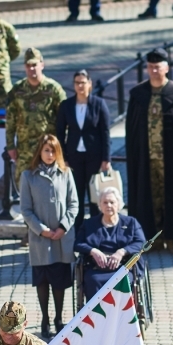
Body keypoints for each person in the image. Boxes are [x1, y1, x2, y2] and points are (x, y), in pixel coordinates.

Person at [125, 47, 173, 254]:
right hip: (146, 157)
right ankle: (153, 239)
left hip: (171, 159)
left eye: (158, 67)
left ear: (166, 67)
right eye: (150, 67)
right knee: (149, 197)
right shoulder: (139, 95)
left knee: (171, 197)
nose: (154, 71)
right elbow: (132, 128)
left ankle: (172, 238)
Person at [20, 134, 79, 338]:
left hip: (61, 238)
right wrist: (42, 229)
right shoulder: (28, 176)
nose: (50, 154)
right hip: (41, 239)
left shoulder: (66, 173)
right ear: (40, 151)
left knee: (60, 280)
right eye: (46, 150)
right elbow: (26, 209)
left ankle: (58, 318)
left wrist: (63, 226)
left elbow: (74, 204)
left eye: (53, 150)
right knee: (43, 280)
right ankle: (45, 318)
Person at [55, 70, 111, 232]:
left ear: (89, 84)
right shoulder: (66, 105)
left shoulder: (99, 104)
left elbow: (105, 132)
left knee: (94, 194)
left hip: (94, 155)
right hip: (73, 157)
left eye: (83, 82)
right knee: (75, 194)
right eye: (77, 83)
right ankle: (77, 229)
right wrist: (63, 157)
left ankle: (96, 229)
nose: (80, 86)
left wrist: (106, 158)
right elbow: (60, 132)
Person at [6, 48, 66, 187]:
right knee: (23, 186)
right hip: (25, 148)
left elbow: (64, 120)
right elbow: (10, 120)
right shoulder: (17, 90)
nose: (32, 69)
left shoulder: (54, 89)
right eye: (28, 65)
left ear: (42, 65)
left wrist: (62, 146)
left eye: (34, 65)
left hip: (48, 149)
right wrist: (10, 145)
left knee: (50, 186)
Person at [74, 187, 146, 299]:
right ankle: (96, 315)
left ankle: (122, 315)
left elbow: (141, 242)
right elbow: (78, 244)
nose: (108, 205)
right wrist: (93, 251)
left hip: (123, 266)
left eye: (112, 202)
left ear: (119, 204)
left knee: (124, 279)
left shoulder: (131, 222)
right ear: (100, 205)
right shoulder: (89, 224)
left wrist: (122, 251)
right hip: (96, 268)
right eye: (105, 202)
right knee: (92, 280)